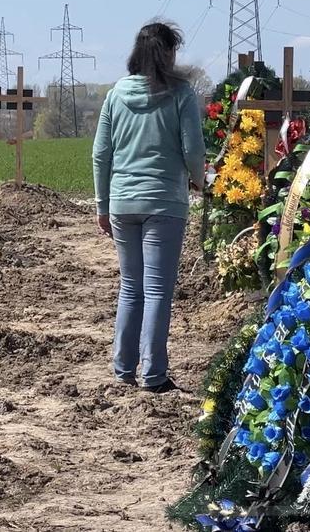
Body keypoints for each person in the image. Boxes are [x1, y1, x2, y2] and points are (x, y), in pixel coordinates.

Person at [93, 21, 206, 393]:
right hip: (164, 202)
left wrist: (102, 205)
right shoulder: (181, 94)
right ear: (168, 53)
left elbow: (101, 154)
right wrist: (201, 181)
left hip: (123, 202)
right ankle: (154, 375)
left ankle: (123, 369)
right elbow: (192, 150)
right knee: (157, 291)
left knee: (131, 288)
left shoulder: (115, 94)